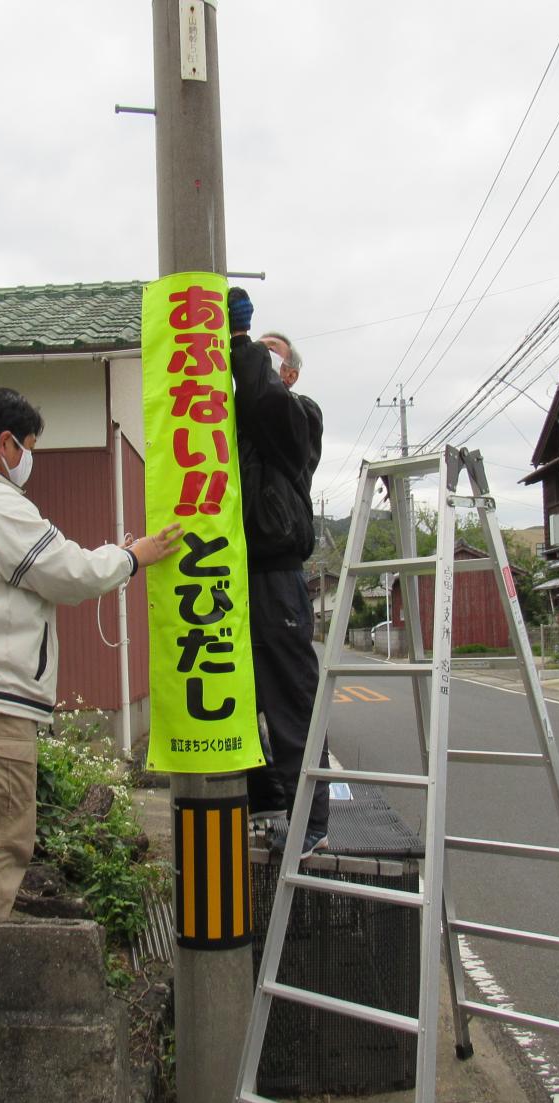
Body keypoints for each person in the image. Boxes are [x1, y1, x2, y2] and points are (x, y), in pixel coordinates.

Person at [0, 387, 181, 919]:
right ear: (6, 443)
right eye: (29, 446)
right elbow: (66, 573)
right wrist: (133, 557)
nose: (30, 460)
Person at [226, 289, 330, 855]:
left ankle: (312, 820)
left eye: (271, 356)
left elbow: (261, 399)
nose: (257, 363)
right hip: (231, 572)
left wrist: (244, 342)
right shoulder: (233, 422)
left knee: (290, 699)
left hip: (274, 576)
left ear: (287, 374)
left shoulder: (297, 415)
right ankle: (266, 800)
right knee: (239, 695)